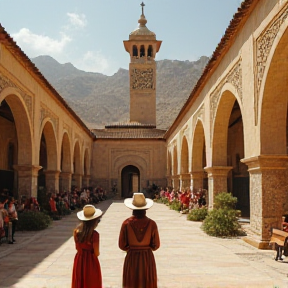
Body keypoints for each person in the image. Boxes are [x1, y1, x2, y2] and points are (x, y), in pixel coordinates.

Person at [119, 192, 160, 288]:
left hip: (132, 257)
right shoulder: (152, 224)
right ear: (146, 208)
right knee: (147, 281)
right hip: (147, 258)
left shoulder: (126, 223)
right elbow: (156, 245)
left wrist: (132, 247)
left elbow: (122, 245)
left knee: (131, 282)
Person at [71, 204, 103, 288]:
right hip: (90, 261)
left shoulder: (76, 233)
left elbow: (77, 247)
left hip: (79, 259)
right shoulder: (94, 235)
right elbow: (96, 252)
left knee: (79, 280)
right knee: (91, 282)